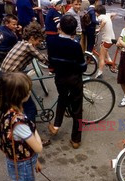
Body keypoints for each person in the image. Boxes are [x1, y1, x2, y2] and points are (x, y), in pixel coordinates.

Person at [1, 22, 49, 147]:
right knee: (30, 108)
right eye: (38, 40)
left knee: (12, 107)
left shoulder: (20, 43)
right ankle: (31, 137)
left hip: (5, 76)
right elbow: (45, 60)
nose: (39, 43)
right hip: (12, 79)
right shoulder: (29, 46)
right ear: (32, 38)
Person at [46, 15, 87, 149]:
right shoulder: (75, 46)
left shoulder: (51, 41)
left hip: (60, 78)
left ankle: (56, 125)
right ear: (74, 30)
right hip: (74, 79)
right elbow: (82, 66)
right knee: (77, 109)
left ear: (60, 27)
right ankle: (75, 140)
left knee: (62, 98)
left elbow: (51, 61)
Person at [94, 4, 116, 79]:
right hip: (111, 38)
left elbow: (104, 22)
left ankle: (99, 73)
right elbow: (114, 14)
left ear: (98, 12)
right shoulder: (107, 15)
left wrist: (99, 29)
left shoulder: (100, 17)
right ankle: (109, 60)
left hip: (107, 40)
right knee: (102, 46)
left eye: (95, 12)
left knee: (101, 57)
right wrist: (110, 19)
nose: (95, 14)